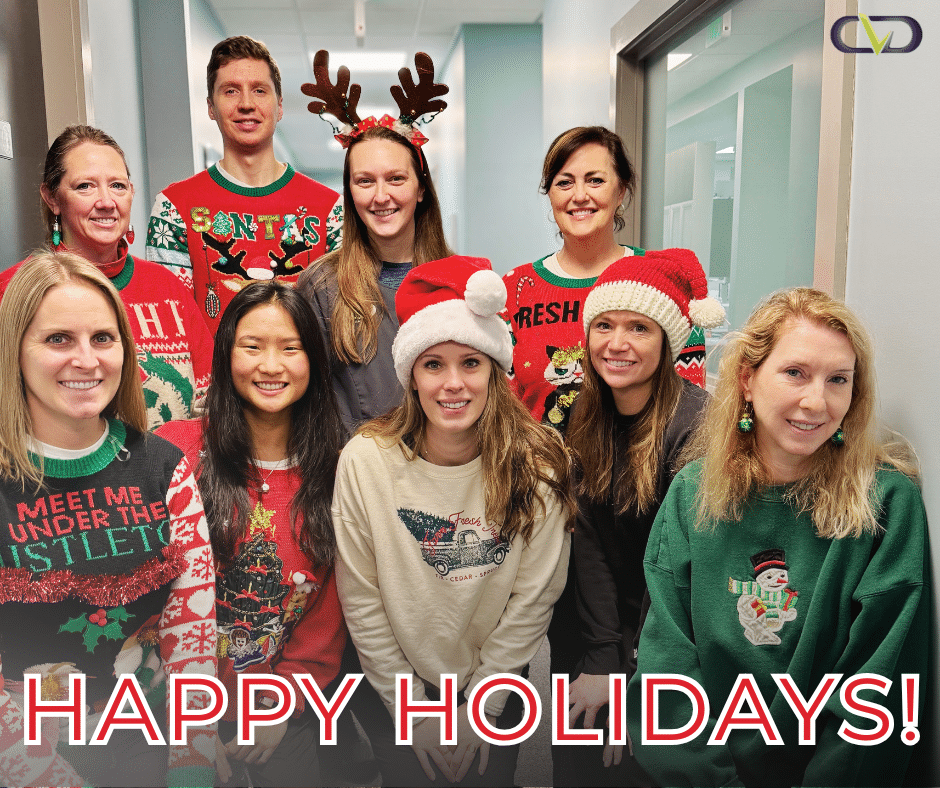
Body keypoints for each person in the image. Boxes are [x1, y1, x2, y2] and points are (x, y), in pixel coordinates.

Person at [627, 287, 929, 787]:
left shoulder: (887, 504)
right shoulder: (693, 492)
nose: (817, 401)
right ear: (747, 379)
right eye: (795, 373)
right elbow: (667, 673)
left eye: (838, 380)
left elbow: (880, 691)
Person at [332, 256, 574, 786]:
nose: (453, 384)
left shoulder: (540, 462)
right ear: (411, 376)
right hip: (396, 681)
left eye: (471, 362)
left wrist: (483, 707)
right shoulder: (366, 460)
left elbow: (534, 597)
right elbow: (363, 598)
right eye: (433, 364)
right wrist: (414, 712)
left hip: (497, 680)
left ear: (494, 370)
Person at [0, 252, 216, 788]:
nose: (86, 360)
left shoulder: (164, 466)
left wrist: (193, 758)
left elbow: (192, 632)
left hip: (150, 738)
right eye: (57, 340)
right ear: (14, 352)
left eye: (102, 338)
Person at [157, 281, 346, 787]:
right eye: (252, 346)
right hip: (169, 707)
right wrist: (189, 727)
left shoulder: (340, 469)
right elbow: (148, 602)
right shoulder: (172, 453)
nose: (271, 365)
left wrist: (278, 708)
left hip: (282, 710)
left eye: (291, 348)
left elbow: (328, 615)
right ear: (225, 355)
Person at [559, 249, 724, 786]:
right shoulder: (588, 413)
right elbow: (591, 545)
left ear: (668, 342)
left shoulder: (696, 427)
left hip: (680, 631)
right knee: (580, 744)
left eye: (639, 328)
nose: (617, 343)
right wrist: (604, 656)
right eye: (603, 325)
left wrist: (637, 681)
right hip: (613, 622)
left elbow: (678, 572)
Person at [0, 124, 213, 430]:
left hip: (172, 472)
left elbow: (211, 401)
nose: (106, 202)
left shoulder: (166, 287)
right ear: (52, 198)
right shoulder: (14, 290)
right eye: (85, 186)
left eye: (117, 186)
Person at [503, 126, 707, 434]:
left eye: (595, 180)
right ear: (550, 194)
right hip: (537, 475)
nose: (579, 196)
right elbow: (503, 409)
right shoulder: (515, 288)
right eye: (564, 183)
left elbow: (689, 411)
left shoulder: (661, 283)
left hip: (641, 475)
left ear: (621, 191)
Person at [296, 50, 452, 439]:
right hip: (355, 480)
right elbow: (307, 405)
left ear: (420, 189)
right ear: (350, 194)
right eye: (365, 181)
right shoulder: (322, 287)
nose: (381, 196)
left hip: (449, 476)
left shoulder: (458, 281)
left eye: (396, 179)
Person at [145, 36, 343, 334]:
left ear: (279, 106)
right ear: (211, 107)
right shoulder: (173, 209)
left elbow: (340, 327)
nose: (247, 104)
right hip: (213, 381)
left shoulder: (331, 211)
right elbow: (172, 329)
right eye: (231, 91)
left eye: (259, 91)